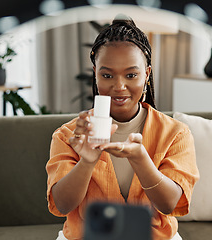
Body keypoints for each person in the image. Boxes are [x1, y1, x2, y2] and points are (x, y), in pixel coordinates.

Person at [46, 15, 199, 240]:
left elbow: (169, 204)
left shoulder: (176, 133)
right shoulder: (68, 135)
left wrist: (140, 160)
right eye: (107, 75)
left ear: (146, 74)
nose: (119, 86)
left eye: (131, 75)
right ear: (95, 74)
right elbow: (63, 204)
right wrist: (87, 162)